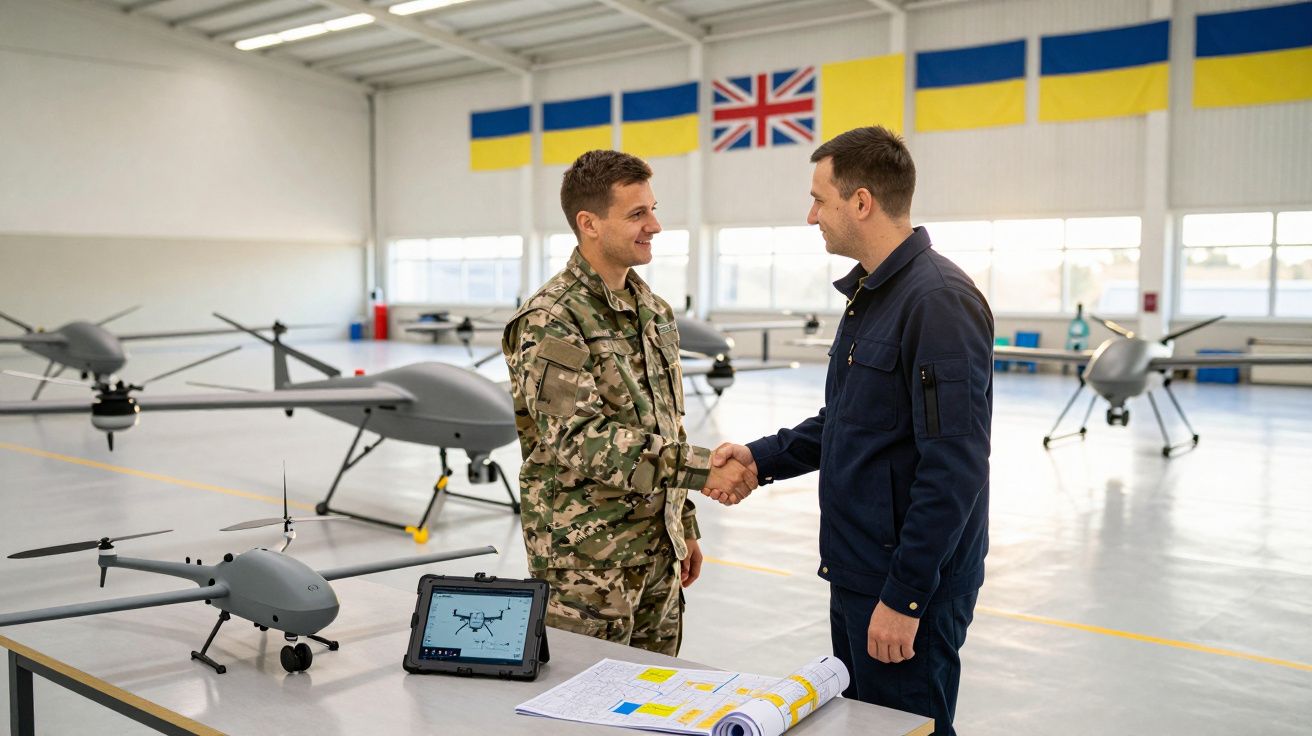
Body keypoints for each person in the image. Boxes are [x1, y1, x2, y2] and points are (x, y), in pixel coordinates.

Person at [708, 126, 993, 734]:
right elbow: (848, 424)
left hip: (904, 585)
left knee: (904, 727)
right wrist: (760, 458)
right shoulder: (874, 295)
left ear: (861, 201)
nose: (811, 216)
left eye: (820, 198)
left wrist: (905, 597)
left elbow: (955, 465)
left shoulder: (937, 300)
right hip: (861, 572)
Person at [502, 149, 757, 655]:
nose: (655, 226)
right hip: (587, 568)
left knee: (655, 701)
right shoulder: (551, 318)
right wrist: (706, 470)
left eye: (653, 209)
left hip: (657, 553)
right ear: (589, 223)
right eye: (637, 214)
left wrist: (683, 527)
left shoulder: (654, 311)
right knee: (579, 708)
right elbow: (581, 439)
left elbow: (668, 423)